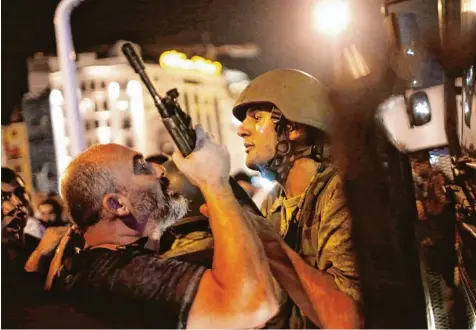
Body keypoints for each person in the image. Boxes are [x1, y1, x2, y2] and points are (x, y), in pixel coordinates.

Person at [50, 127, 278, 329]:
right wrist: (214, 181)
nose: (160, 170)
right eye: (141, 168)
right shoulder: (118, 276)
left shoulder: (90, 269)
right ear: (116, 204)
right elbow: (253, 307)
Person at [233, 68, 363, 328]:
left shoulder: (339, 193)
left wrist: (271, 247)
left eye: (256, 117)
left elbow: (350, 319)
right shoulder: (274, 203)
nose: (242, 131)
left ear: (292, 128)